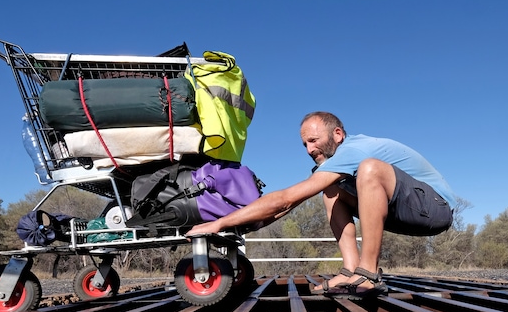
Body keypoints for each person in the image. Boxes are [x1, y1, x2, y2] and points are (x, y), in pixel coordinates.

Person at [186, 111, 456, 298]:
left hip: (435, 209)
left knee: (370, 168)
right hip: (401, 211)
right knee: (329, 186)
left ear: (337, 134)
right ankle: (350, 270)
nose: (309, 149)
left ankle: (368, 274)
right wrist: (241, 227)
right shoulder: (335, 165)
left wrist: (220, 221)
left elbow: (286, 197)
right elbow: (285, 207)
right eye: (304, 143)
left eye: (313, 140)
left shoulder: (354, 150)